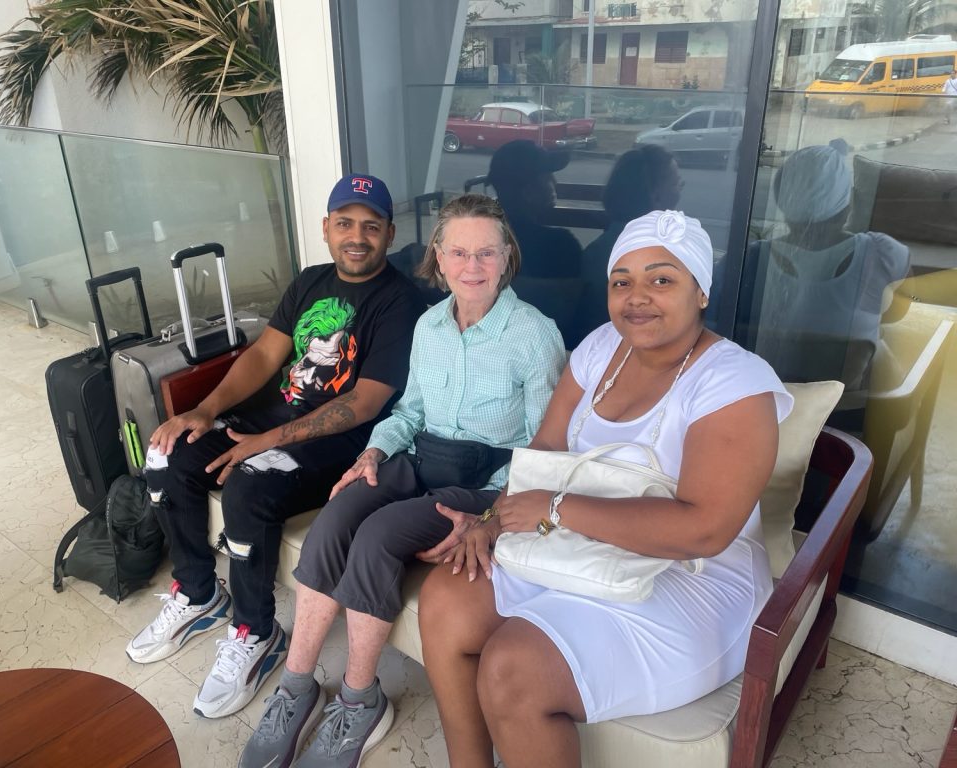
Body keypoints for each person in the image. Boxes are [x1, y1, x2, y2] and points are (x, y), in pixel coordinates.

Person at [418, 210, 795, 768]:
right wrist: (492, 521)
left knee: (514, 668)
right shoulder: (600, 349)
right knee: (447, 597)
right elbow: (546, 448)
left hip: (692, 579)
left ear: (701, 292)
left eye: (661, 279)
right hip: (580, 542)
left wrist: (554, 509)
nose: (637, 297)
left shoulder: (733, 383)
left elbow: (705, 530)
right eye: (622, 281)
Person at [238, 194, 565, 768]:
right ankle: (296, 687)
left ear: (507, 256)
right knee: (338, 514)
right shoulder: (430, 325)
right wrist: (373, 452)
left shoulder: (534, 335)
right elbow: (409, 411)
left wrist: (492, 516)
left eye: (486, 253)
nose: (471, 266)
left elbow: (544, 448)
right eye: (458, 252)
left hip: (484, 478)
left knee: (378, 534)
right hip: (417, 457)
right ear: (438, 257)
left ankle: (359, 700)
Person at [126, 174, 426, 720]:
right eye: (345, 223)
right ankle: (197, 593)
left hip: (339, 442)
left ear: (389, 233)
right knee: (167, 453)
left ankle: (255, 632)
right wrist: (205, 410)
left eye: (371, 226)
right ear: (326, 228)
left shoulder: (400, 302)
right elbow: (264, 356)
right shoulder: (311, 281)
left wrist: (263, 443)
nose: (356, 237)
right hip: (269, 418)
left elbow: (363, 403)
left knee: (250, 483)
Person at [735, 142, 909, 428]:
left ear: (782, 202)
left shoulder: (749, 260)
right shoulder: (882, 255)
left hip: (762, 410)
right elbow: (899, 313)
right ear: (848, 204)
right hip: (845, 416)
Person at [575, 144, 684, 342]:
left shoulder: (597, 251)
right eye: (677, 184)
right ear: (656, 196)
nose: (680, 192)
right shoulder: (661, 254)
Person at [488, 139, 584, 347]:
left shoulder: (480, 243)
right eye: (547, 176)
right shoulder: (561, 247)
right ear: (528, 192)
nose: (554, 182)